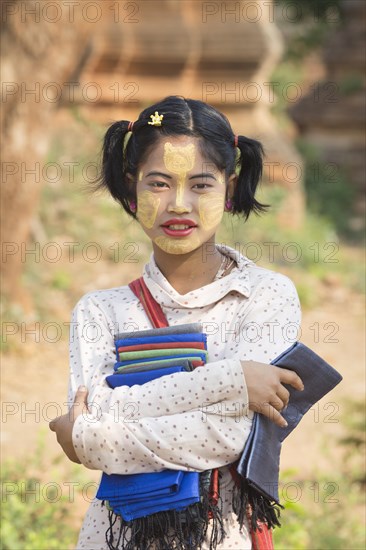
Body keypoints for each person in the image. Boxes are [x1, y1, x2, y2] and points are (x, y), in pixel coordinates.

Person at [49, 96, 303, 549]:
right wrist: (233, 378)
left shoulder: (267, 296)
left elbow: (232, 436)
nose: (179, 204)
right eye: (159, 184)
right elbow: (83, 434)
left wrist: (100, 429)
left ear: (229, 188)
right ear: (132, 190)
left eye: (201, 185)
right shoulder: (99, 310)